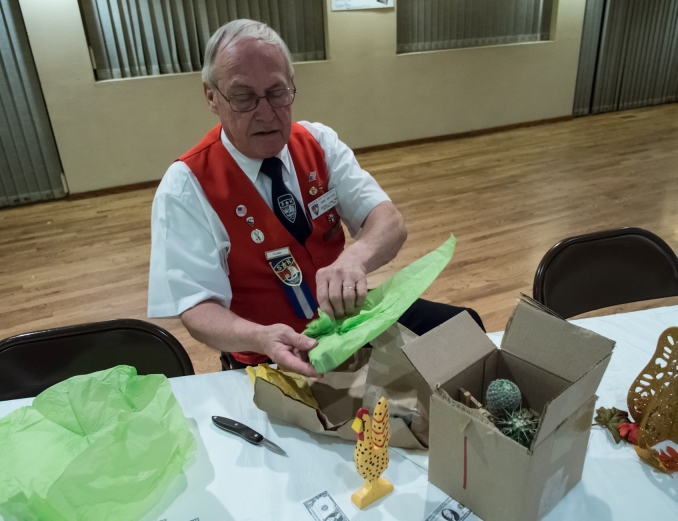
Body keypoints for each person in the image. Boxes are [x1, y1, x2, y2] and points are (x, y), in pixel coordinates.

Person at [148, 20, 483, 378]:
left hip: (346, 324)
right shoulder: (187, 185)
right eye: (243, 97)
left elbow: (388, 221)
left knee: (466, 329)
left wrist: (356, 257)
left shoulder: (317, 143)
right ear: (212, 97)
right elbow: (197, 309)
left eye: (277, 93)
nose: (265, 113)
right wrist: (260, 337)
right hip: (271, 351)